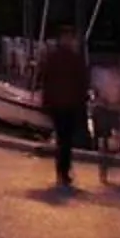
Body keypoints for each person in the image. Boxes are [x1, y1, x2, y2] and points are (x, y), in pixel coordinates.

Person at [36, 24, 90, 187]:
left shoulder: (60, 58)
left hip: (66, 104)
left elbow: (81, 82)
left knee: (64, 139)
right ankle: (63, 171)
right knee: (64, 139)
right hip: (64, 104)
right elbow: (47, 80)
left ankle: (62, 170)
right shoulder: (68, 58)